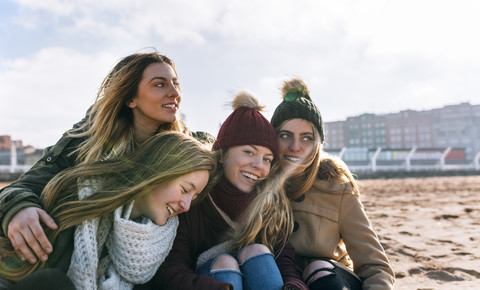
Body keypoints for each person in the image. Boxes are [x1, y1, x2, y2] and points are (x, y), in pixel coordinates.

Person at [0, 50, 214, 266]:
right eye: (160, 84)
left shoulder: (186, 152)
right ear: (130, 98)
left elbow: (222, 150)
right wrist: (19, 209)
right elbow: (22, 187)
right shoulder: (87, 142)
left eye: (175, 84)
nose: (174, 93)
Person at [0, 131, 218, 289]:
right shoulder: (78, 204)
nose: (186, 205)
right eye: (184, 190)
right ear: (158, 172)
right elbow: (10, 273)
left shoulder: (158, 242)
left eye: (194, 197)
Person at [150, 91, 308, 290]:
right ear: (223, 154)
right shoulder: (194, 199)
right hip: (206, 282)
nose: (259, 165)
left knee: (257, 251)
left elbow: (285, 262)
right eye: (249, 152)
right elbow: (171, 270)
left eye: (267, 159)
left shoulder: (270, 204)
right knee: (225, 263)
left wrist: (294, 285)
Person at [270, 77, 395, 290]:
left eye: (307, 138)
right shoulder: (256, 186)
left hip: (330, 282)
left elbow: (376, 267)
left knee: (319, 268)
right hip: (279, 281)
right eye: (285, 135)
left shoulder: (337, 189)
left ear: (318, 143)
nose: (295, 146)